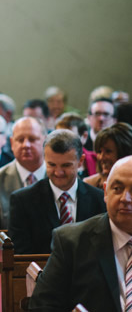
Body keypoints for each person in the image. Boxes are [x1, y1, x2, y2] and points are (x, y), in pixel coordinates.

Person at [29, 156, 132, 311]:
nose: (125, 198)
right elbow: (42, 307)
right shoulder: (71, 242)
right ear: (105, 192)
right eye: (117, 189)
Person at [8, 129, 106, 254]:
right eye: (52, 165)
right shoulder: (22, 201)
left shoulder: (99, 199)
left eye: (66, 165)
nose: (58, 172)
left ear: (80, 161)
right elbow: (20, 255)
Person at [0, 117, 47, 230]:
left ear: (45, 141)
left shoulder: (57, 176)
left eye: (32, 139)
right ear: (12, 143)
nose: (26, 145)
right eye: (20, 139)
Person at [83, 122, 132, 188]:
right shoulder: (89, 185)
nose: (101, 157)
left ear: (125, 153)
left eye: (108, 151)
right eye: (99, 152)